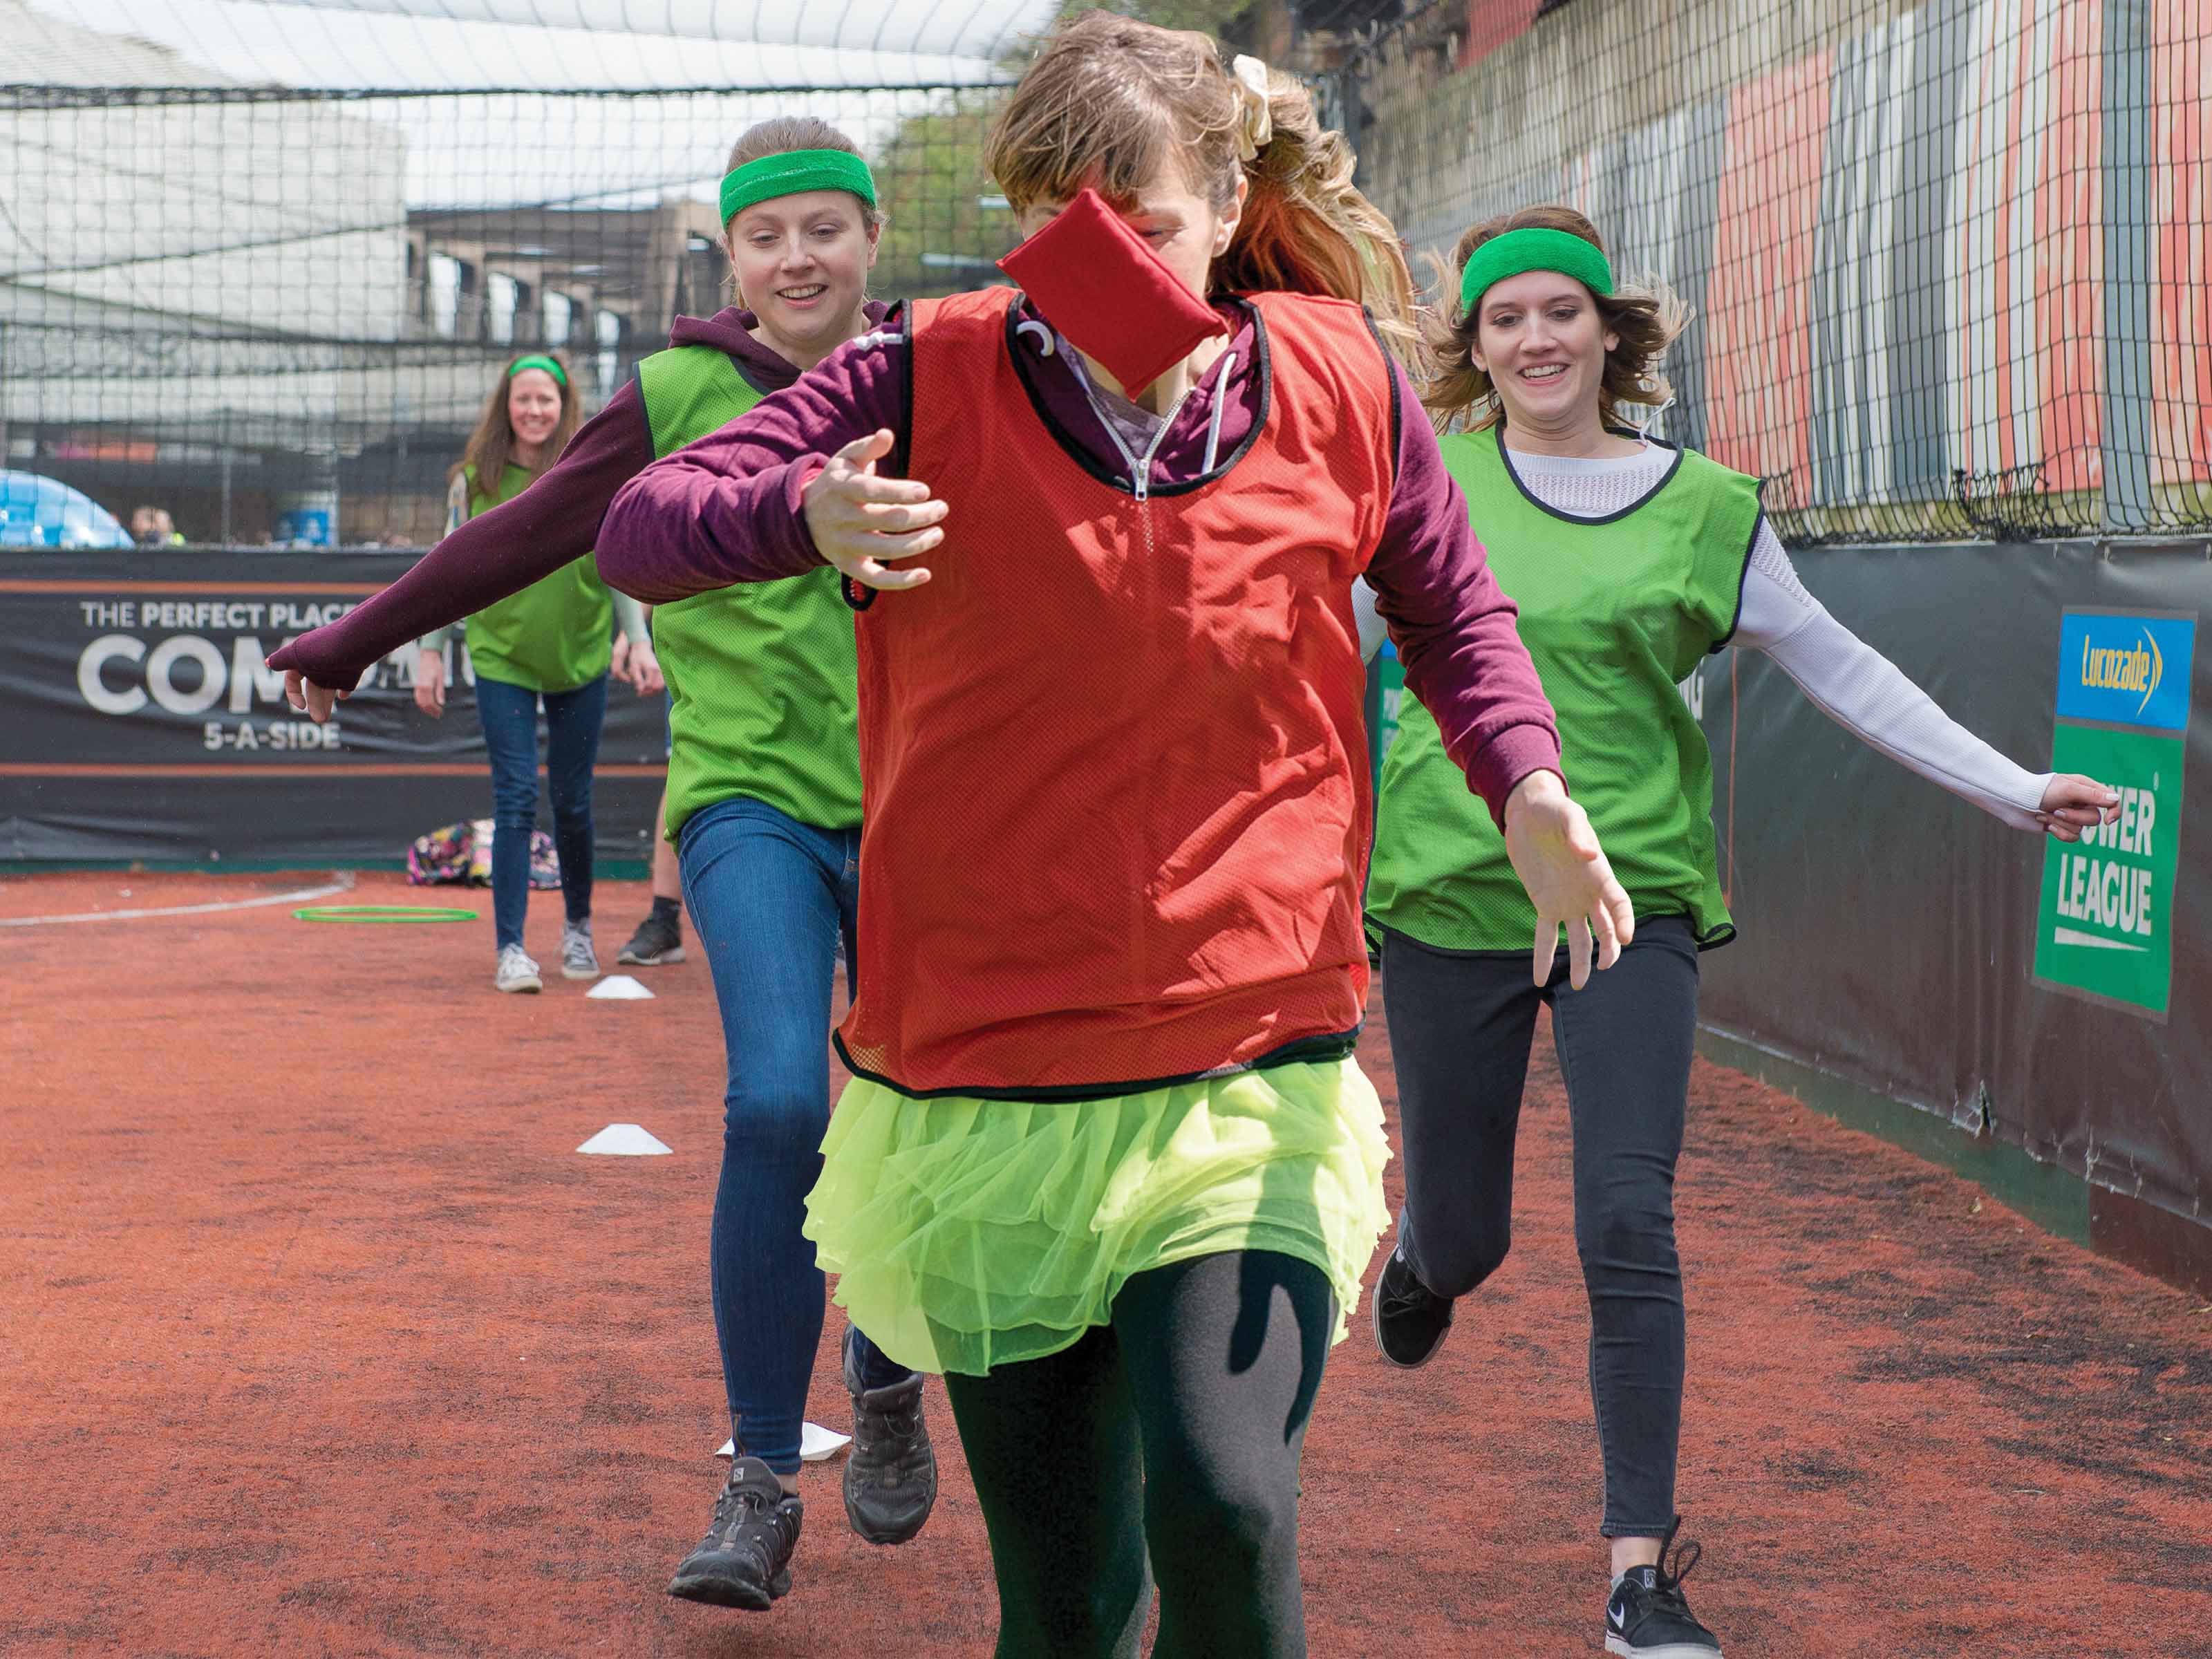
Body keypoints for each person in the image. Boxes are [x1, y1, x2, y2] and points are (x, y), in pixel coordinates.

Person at [596, 21, 1633, 1656]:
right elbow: (637, 527)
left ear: (1223, 202)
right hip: (990, 1078)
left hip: (1246, 1053)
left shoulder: (1344, 379)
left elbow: (1451, 606)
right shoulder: (922, 370)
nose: (1096, 268)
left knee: (1224, 1502)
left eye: (1139, 227)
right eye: (1055, 229)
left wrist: (1529, 784)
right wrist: (800, 509)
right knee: (1066, 1606)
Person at [1359, 205, 2121, 1659]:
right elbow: (1285, 637)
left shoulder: (1707, 507)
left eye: (1560, 314)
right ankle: (1425, 1259)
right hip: (1454, 894)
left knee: (1628, 1217)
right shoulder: (1424, 486)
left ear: (1609, 335)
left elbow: (1844, 668)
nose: (1535, 339)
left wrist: (2016, 788)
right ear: (1471, 344)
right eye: (1505, 318)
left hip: (1626, 902)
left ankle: (1637, 1575)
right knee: (1468, 1241)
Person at [269, 118, 939, 1611]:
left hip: (923, 808)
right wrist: (358, 636)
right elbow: (519, 534)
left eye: (824, 228)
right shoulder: (675, 394)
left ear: (871, 235)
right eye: (766, 236)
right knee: (778, 1096)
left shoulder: (937, 368)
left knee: (914, 1113)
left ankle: (886, 1365)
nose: (797, 258)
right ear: (731, 257)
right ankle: (762, 1478)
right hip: (747, 800)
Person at [409, 352, 653, 994]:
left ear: (564, 405)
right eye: (524, 399)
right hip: (502, 656)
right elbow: (449, 569)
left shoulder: (588, 471)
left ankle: (577, 927)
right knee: (516, 797)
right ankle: (512, 949)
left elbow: (616, 555)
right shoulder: (474, 479)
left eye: (546, 399)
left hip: (579, 656)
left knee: (572, 802)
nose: (535, 410)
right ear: (506, 406)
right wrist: (431, 650)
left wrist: (636, 639)